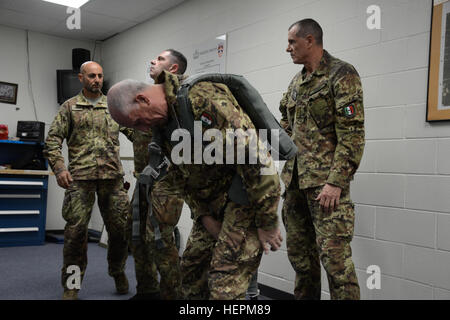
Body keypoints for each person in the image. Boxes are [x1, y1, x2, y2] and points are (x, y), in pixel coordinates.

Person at [106, 71, 283, 300]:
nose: (141, 129)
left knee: (224, 285)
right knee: (190, 275)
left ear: (142, 99)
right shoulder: (164, 124)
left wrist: (267, 220)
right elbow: (183, 176)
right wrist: (204, 216)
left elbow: (259, 160)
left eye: (138, 121)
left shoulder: (201, 99)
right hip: (212, 204)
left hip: (245, 199)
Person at [279, 19, 365, 300]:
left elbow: (352, 134)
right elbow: (286, 126)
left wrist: (336, 182)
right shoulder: (296, 83)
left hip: (325, 189)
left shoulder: (341, 74)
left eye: (292, 42)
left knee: (336, 265)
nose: (287, 48)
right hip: (294, 187)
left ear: (310, 40)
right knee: (302, 264)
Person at [44, 61, 133, 300]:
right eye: (92, 76)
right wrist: (60, 168)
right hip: (80, 180)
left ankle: (117, 271)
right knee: (75, 234)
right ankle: (72, 284)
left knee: (120, 231)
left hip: (112, 180)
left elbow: (137, 132)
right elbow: (52, 141)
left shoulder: (114, 106)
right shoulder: (70, 107)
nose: (97, 80)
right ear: (81, 78)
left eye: (100, 76)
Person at [128, 49, 187, 300]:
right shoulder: (146, 99)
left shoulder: (182, 98)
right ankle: (147, 290)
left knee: (160, 241)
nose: (152, 61)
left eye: (160, 59)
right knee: (137, 235)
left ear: (173, 69)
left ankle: (172, 296)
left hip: (170, 181)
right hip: (145, 179)